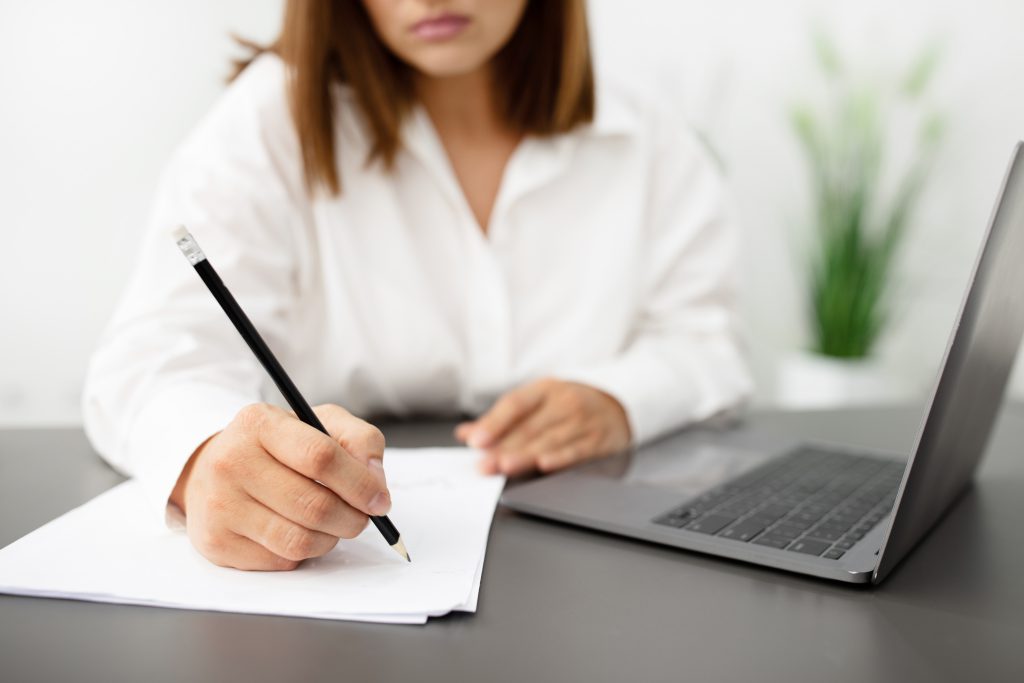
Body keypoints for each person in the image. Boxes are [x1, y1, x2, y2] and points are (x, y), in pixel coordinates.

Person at [83, 0, 752, 571]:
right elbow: (149, 364)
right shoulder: (266, 121)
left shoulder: (644, 133)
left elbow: (707, 340)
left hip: (600, 559)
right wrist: (205, 460)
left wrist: (620, 400)